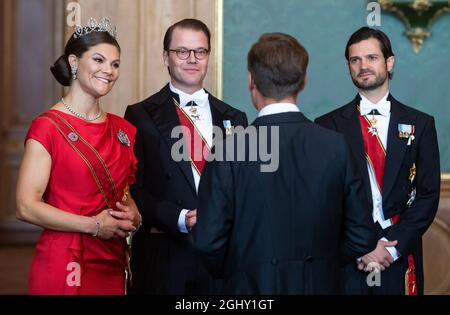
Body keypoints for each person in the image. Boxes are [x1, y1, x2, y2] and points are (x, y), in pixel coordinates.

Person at [190, 32, 377, 294]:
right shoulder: (336, 146)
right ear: (303, 82)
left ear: (251, 81)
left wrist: (243, 269)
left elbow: (208, 242)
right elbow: (362, 236)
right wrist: (321, 262)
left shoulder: (226, 150)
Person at [16, 17, 142, 295]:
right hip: (66, 259)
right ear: (74, 62)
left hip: (113, 260)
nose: (108, 70)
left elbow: (124, 195)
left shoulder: (123, 130)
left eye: (115, 64)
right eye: (98, 60)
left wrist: (134, 213)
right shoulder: (47, 127)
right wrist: (95, 226)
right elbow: (26, 206)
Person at [124, 18, 248, 294]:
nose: (192, 59)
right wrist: (180, 217)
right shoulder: (139, 115)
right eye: (182, 51)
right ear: (166, 57)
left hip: (220, 255)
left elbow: (245, 188)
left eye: (200, 52)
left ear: (208, 57)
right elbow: (134, 188)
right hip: (163, 253)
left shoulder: (235, 117)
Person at [315, 27, 440, 295]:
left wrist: (391, 246)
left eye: (371, 58)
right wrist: (362, 247)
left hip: (398, 256)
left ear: (389, 62)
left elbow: (428, 195)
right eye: (355, 60)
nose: (363, 66)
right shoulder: (327, 126)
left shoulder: (421, 124)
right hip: (348, 262)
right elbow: (324, 199)